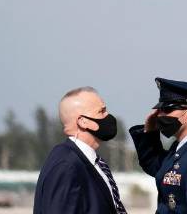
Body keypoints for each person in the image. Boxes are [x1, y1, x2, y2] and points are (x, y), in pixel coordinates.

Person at [129, 78, 187, 214]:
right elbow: (155, 166)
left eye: (167, 109)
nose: (160, 115)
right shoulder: (181, 148)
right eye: (159, 110)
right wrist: (149, 133)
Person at [35, 86, 128, 214]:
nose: (108, 116)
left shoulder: (89, 161)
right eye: (101, 111)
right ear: (83, 122)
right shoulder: (66, 165)